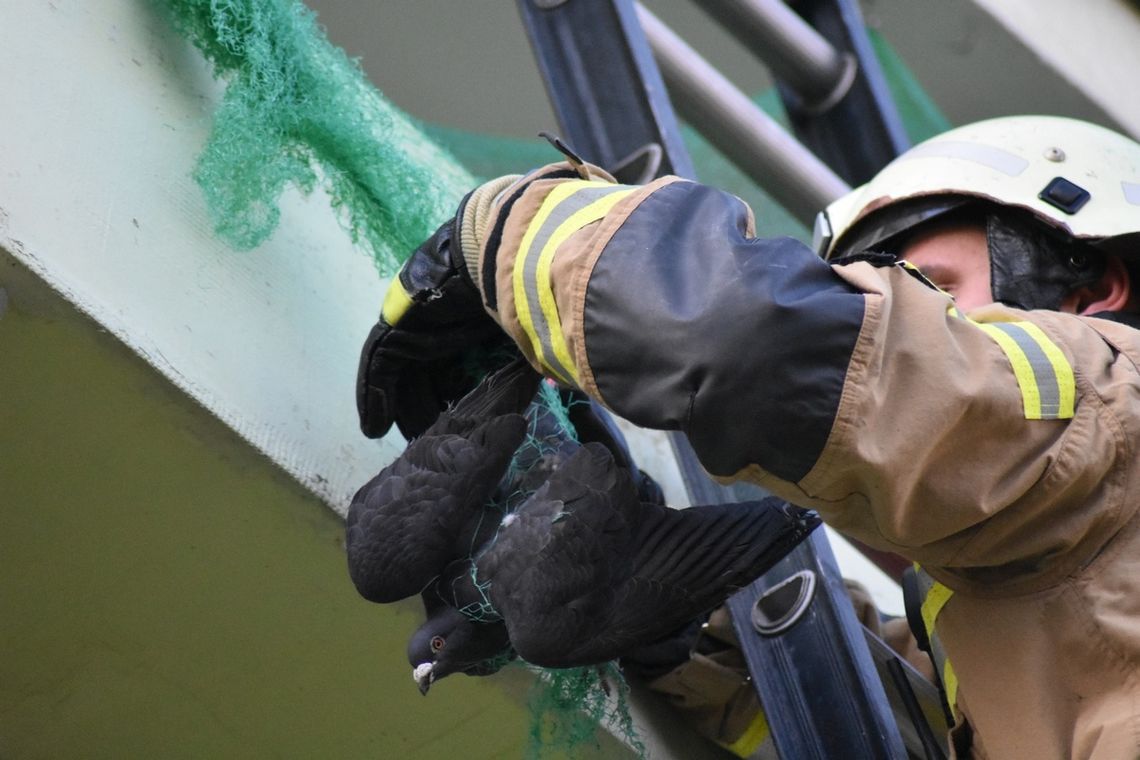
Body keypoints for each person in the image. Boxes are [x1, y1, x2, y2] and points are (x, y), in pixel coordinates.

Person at [356, 115, 1140, 758]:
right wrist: (672, 626)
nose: (903, 325)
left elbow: (750, 339)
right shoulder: (1016, 632)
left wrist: (506, 234)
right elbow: (873, 730)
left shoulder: (1116, 394)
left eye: (930, 290)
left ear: (1093, 288)